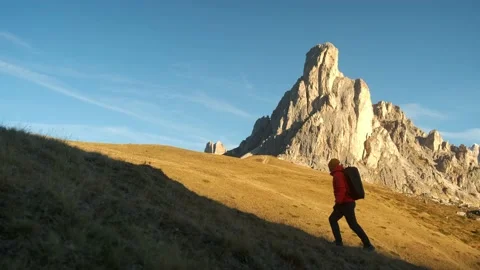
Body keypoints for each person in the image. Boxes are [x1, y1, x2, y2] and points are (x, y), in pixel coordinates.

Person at [327, 158, 375, 251]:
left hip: (345, 203)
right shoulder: (341, 172)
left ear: (332, 166)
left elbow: (341, 190)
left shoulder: (337, 175)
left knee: (347, 223)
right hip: (348, 203)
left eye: (329, 166)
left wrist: (337, 203)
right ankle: (339, 242)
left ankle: (367, 245)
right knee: (341, 221)